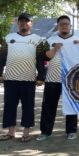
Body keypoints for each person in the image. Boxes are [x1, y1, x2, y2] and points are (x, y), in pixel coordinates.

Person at [0, 13, 45, 142]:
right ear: (17, 23)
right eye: (21, 21)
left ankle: (26, 133)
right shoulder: (8, 37)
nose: (23, 23)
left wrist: (41, 76)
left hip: (29, 79)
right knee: (9, 106)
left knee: (28, 107)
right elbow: (2, 56)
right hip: (10, 79)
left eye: (27, 21)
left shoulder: (38, 39)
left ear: (32, 23)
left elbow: (41, 59)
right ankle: (10, 133)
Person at [36, 15, 79, 141]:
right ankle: (45, 132)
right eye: (62, 24)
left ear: (70, 26)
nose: (64, 26)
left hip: (70, 79)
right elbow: (45, 57)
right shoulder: (51, 39)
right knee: (48, 106)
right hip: (52, 78)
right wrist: (55, 48)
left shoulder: (77, 39)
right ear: (58, 26)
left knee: (71, 106)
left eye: (66, 24)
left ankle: (71, 131)